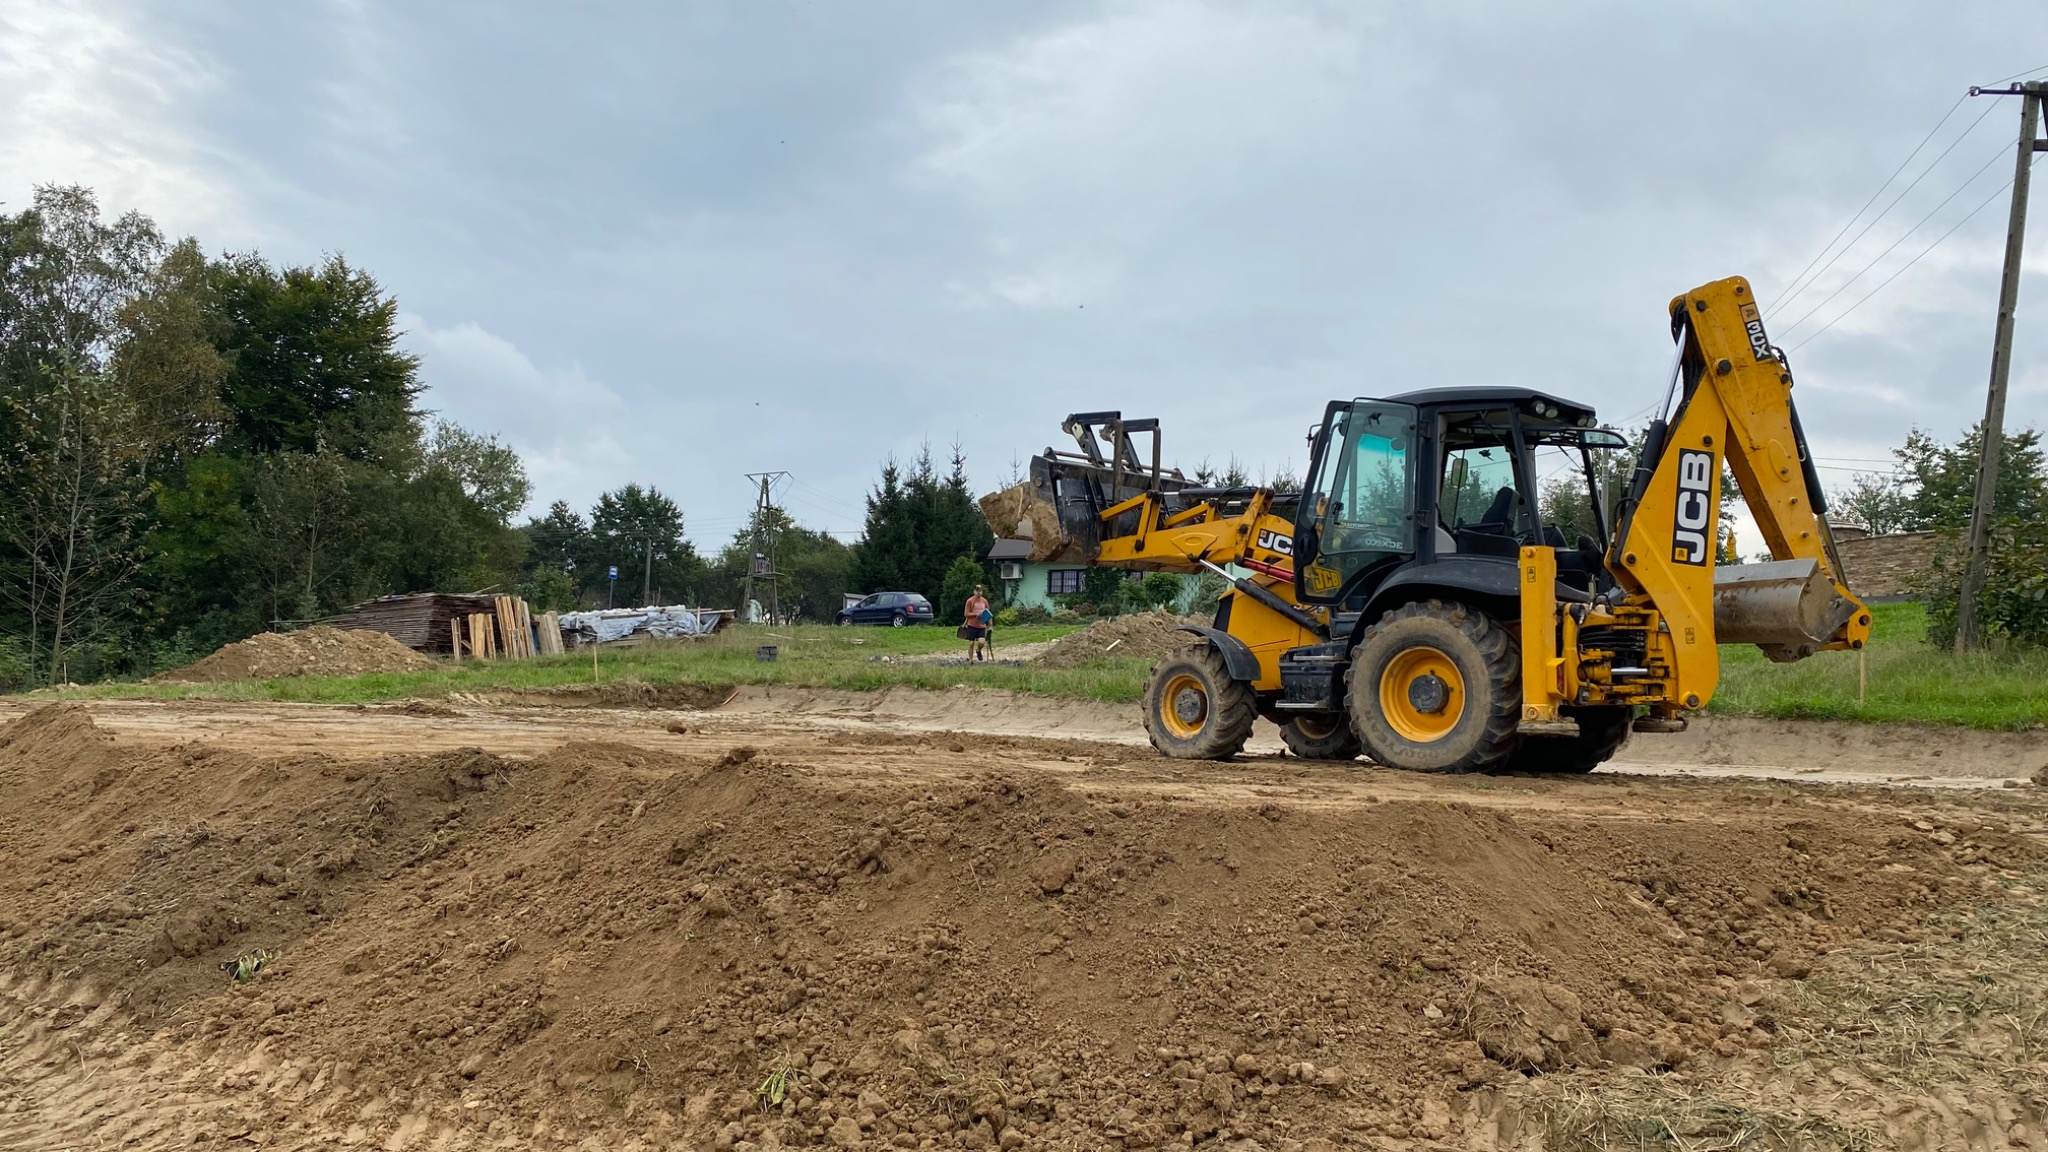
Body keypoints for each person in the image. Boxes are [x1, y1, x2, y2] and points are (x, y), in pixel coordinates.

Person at [963, 585, 991, 662]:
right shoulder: (970, 601)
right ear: (974, 591)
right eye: (977, 591)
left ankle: (978, 650)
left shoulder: (984, 601)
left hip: (981, 626)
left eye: (980, 591)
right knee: (971, 643)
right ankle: (971, 660)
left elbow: (988, 614)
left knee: (982, 642)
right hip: (972, 625)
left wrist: (990, 626)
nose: (979, 592)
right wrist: (976, 614)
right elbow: (966, 614)